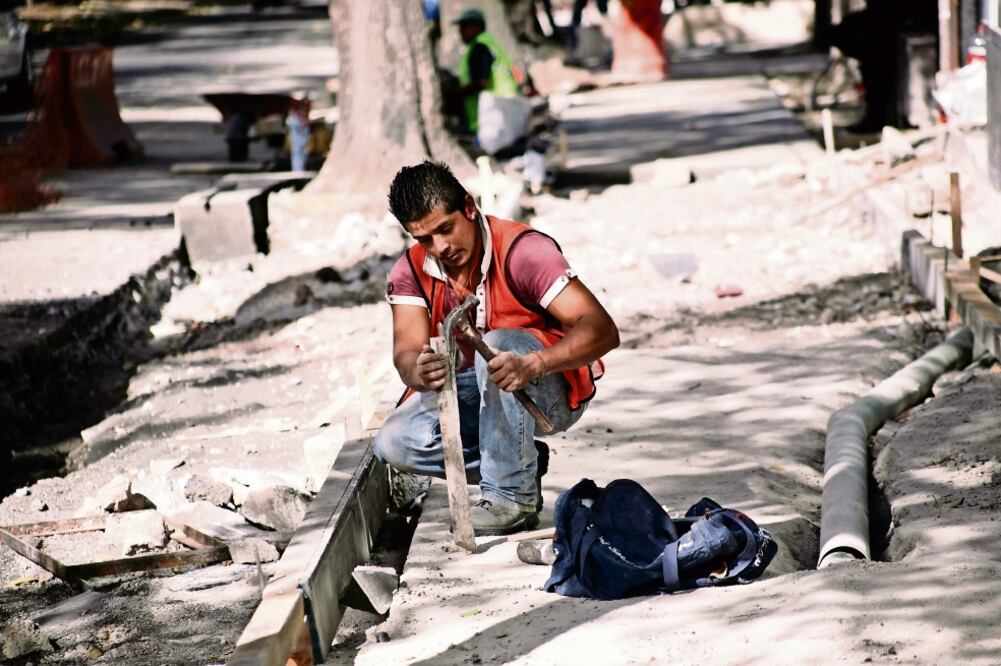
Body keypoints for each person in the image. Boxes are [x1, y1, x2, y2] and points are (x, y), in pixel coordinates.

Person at [375, 161, 619, 535]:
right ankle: (519, 464)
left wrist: (534, 363)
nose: (440, 247)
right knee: (395, 442)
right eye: (425, 239)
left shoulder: (525, 252)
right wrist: (417, 370)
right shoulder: (411, 271)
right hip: (482, 391)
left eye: (446, 229)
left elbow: (602, 330)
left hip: (551, 386)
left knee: (498, 344)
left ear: (469, 208)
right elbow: (406, 352)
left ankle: (511, 497)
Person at [453, 8, 519, 133]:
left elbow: (482, 82)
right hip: (503, 108)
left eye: (464, 26)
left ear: (477, 27)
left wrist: (457, 93)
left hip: (496, 110)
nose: (460, 31)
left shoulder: (480, 46)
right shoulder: (487, 42)